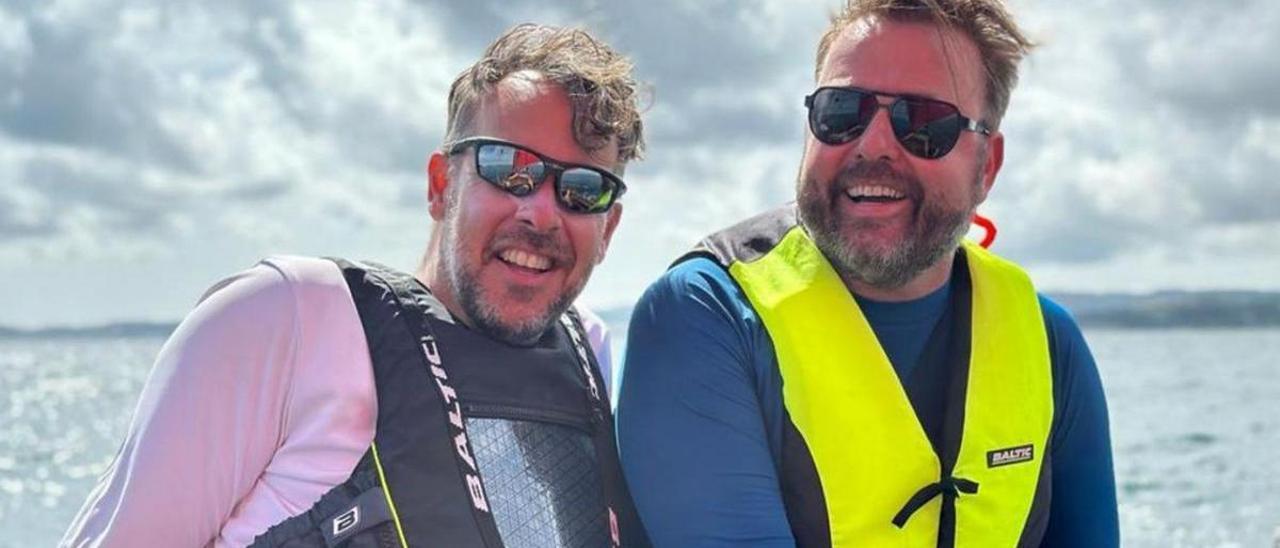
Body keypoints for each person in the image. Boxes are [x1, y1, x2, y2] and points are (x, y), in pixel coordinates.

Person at [63, 24, 650, 548]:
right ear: (442, 184)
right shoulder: (289, 313)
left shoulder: (586, 351)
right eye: (510, 169)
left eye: (582, 190)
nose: (542, 213)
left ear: (609, 229)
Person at [616, 1, 1119, 546]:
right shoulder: (704, 318)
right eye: (841, 112)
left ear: (987, 167)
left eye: (925, 123)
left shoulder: (1049, 345)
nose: (873, 145)